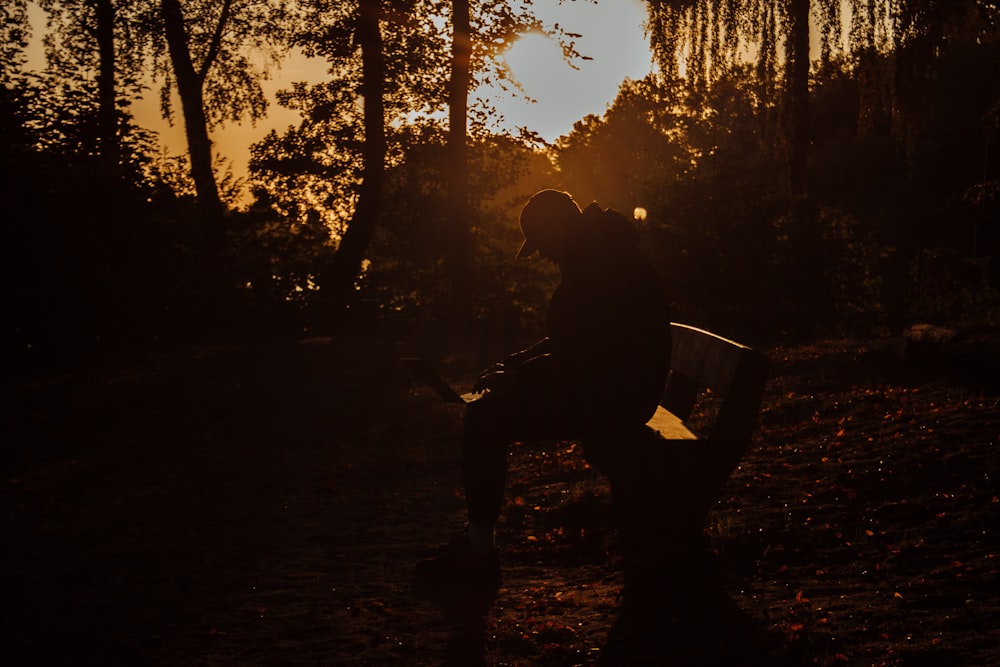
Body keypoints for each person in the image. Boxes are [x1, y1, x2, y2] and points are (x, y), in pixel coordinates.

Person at [417, 189, 671, 585]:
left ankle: (479, 551)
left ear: (559, 231)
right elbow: (573, 343)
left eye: (541, 245)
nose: (543, 256)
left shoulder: (597, 267)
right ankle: (478, 544)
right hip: (614, 387)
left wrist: (519, 380)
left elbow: (590, 355)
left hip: (616, 397)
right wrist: (514, 365)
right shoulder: (596, 256)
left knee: (486, 417)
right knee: (488, 409)